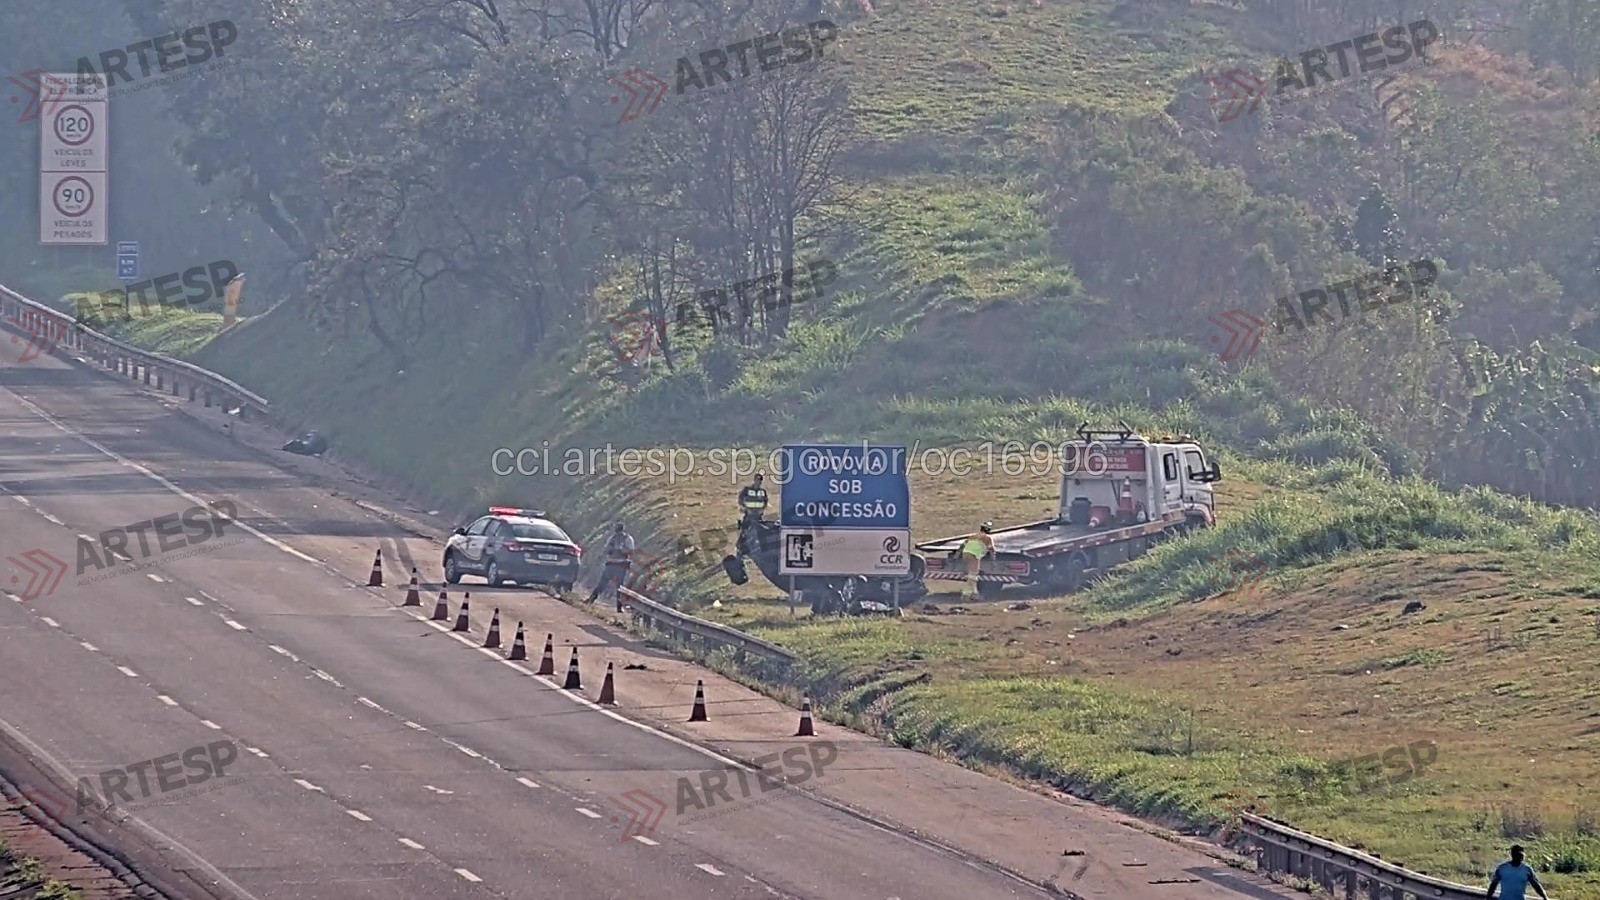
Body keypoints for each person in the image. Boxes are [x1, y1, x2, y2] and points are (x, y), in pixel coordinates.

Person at [586, 522, 635, 605]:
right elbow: (607, 550)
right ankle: (592, 600)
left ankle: (618, 606)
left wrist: (620, 550)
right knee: (608, 584)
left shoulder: (623, 538)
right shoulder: (618, 538)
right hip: (615, 564)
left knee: (615, 586)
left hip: (618, 564)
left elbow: (630, 551)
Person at [959, 522, 996, 601]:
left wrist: (956, 556)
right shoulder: (988, 538)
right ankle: (968, 594)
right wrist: (993, 559)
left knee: (971, 575)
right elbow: (991, 549)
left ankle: (972, 593)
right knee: (973, 576)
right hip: (974, 555)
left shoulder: (973, 536)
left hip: (965, 554)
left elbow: (962, 546)